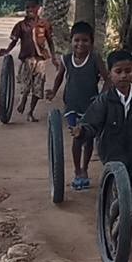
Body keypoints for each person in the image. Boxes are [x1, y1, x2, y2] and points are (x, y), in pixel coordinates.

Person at [71, 49, 132, 210]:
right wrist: (82, 131)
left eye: (128, 71)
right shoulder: (104, 101)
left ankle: (118, 228)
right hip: (112, 156)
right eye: (118, 71)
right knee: (114, 195)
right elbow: (92, 123)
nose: (123, 76)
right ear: (110, 74)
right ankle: (109, 226)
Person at [46, 21, 109, 189]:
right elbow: (60, 76)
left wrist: (102, 97)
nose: (80, 44)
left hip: (90, 106)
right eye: (77, 40)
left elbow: (107, 79)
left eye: (85, 41)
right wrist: (53, 90)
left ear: (91, 42)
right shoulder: (66, 59)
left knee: (88, 139)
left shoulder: (95, 59)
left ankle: (85, 169)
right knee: (77, 137)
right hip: (72, 104)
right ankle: (77, 171)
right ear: (71, 42)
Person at [0, 0, 56, 122]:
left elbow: (50, 41)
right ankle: (23, 98)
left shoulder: (44, 25)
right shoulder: (21, 26)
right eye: (27, 7)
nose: (30, 10)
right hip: (27, 59)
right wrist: (7, 50)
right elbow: (14, 41)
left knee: (38, 86)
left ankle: (30, 112)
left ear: (38, 7)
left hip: (40, 59)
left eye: (33, 7)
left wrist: (53, 57)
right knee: (26, 84)